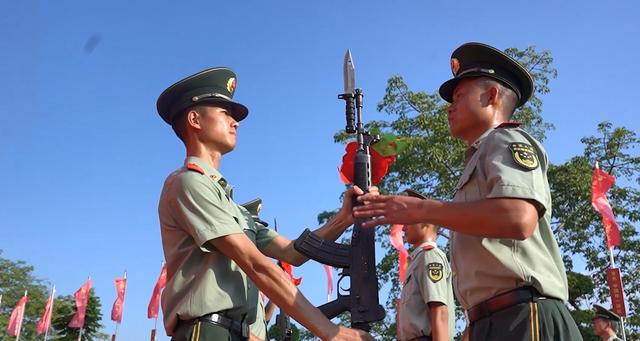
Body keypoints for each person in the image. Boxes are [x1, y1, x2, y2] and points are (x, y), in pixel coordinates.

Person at [353, 42, 582, 340]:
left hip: (525, 315)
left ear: (491, 96)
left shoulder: (506, 140)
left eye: (460, 96)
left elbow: (518, 218)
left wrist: (420, 208)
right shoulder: (480, 155)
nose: (451, 106)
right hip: (492, 320)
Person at [156, 67, 373, 341]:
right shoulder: (188, 183)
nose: (235, 122)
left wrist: (344, 218)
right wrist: (331, 332)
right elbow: (256, 264)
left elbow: (293, 253)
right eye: (225, 113)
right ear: (194, 119)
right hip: (208, 332)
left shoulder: (231, 206)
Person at [396, 189, 455, 341]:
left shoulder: (429, 256)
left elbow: (440, 311)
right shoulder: (417, 260)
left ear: (426, 223)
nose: (403, 228)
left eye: (408, 221)